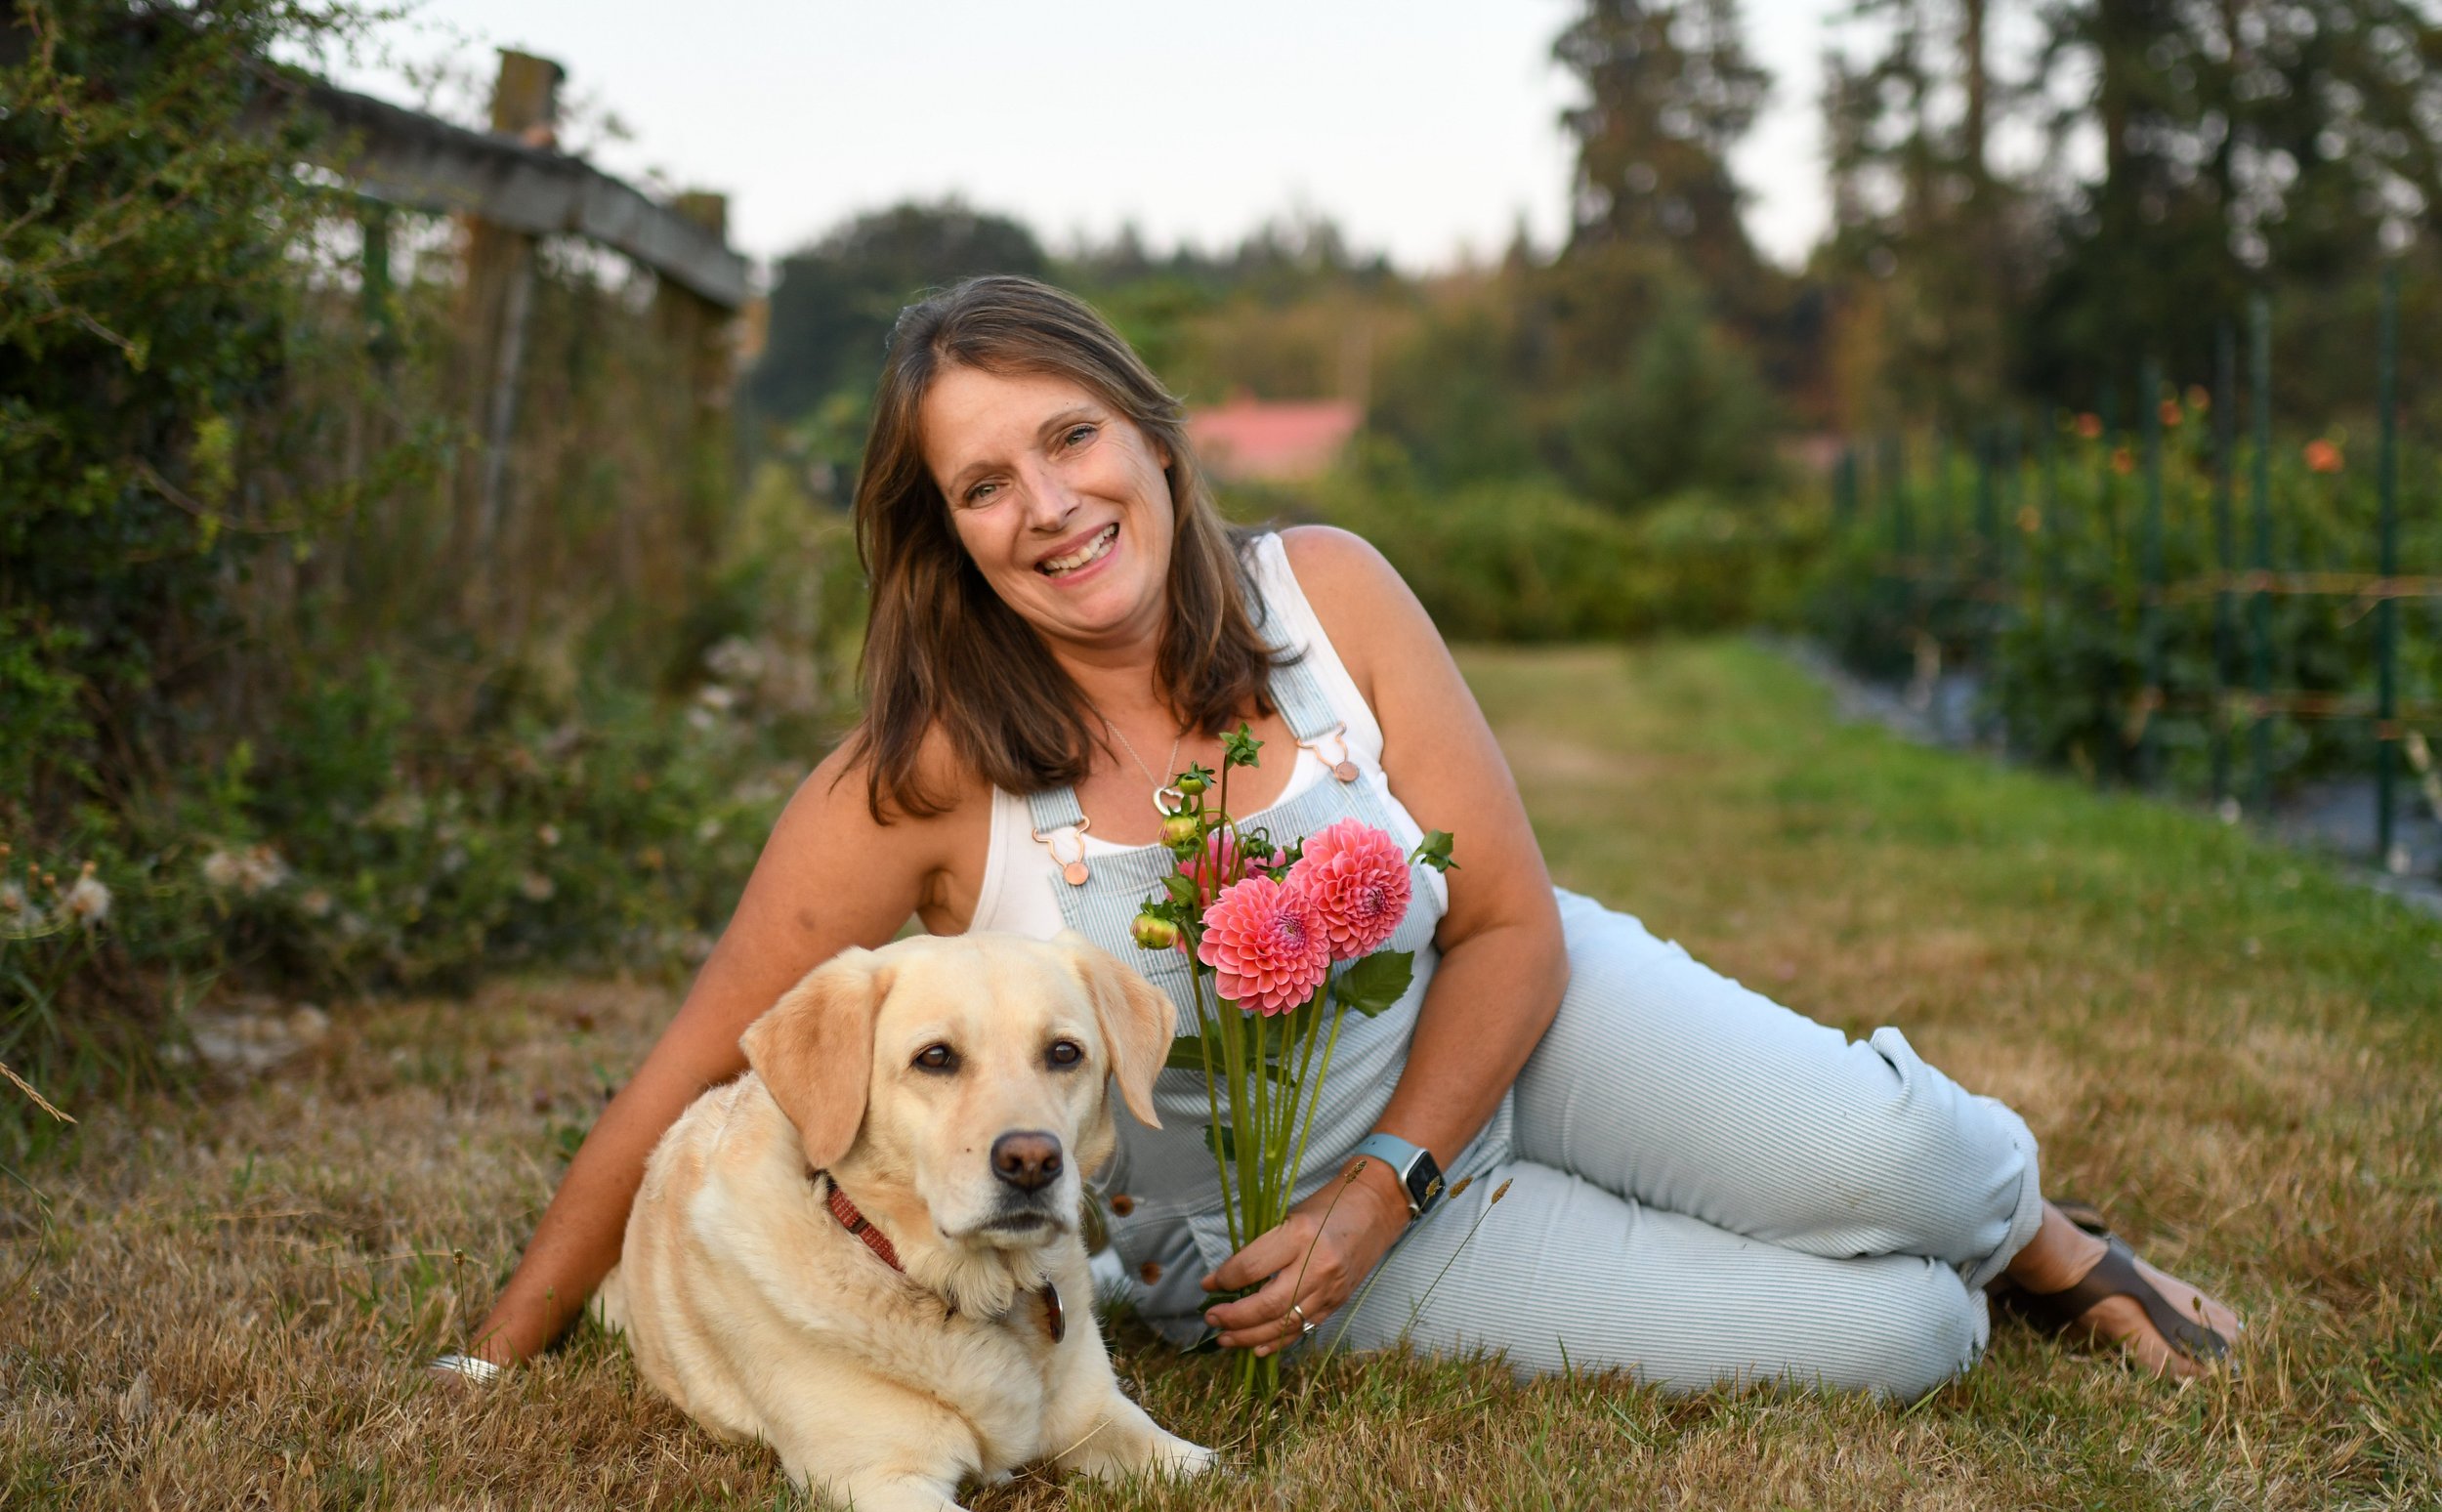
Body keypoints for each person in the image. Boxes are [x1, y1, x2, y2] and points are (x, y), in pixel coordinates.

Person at [444, 275, 2236, 1398]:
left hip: (1526, 1037)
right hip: (1302, 1252)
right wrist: (497, 1359)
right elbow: (692, 1073)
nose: (1048, 505)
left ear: (1151, 435)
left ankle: (2046, 1246)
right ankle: (1937, 1289)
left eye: (1070, 438)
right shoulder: (914, 786)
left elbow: (1513, 926)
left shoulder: (1332, 600)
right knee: (1900, 1342)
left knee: (1931, 1183)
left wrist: (1405, 1173)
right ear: (947, 536)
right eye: (984, 485)